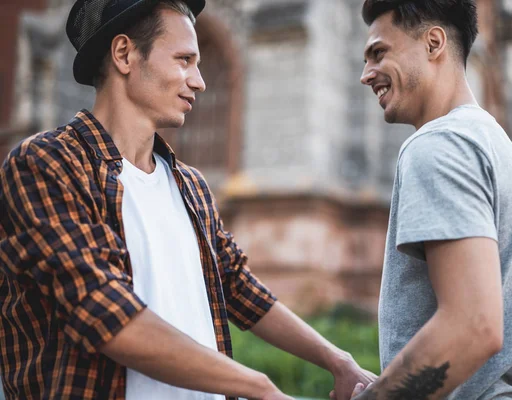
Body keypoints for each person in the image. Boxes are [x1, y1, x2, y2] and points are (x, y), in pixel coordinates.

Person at [0, 0, 376, 399]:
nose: (199, 80)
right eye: (184, 60)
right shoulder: (46, 164)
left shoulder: (189, 185)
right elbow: (101, 310)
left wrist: (339, 361)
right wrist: (261, 388)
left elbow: (239, 286)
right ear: (125, 54)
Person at [353, 0, 512, 399]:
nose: (365, 74)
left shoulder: (438, 146)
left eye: (378, 53)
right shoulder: (497, 147)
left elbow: (472, 326)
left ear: (434, 43)